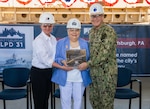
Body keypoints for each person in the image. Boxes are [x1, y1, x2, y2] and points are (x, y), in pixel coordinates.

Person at [78, 3, 118, 109]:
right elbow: (91, 52)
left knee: (106, 105)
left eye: (98, 15)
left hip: (106, 76)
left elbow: (103, 55)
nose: (95, 18)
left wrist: (87, 64)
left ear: (103, 16)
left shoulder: (108, 31)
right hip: (94, 75)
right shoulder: (91, 32)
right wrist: (76, 59)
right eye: (93, 16)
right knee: (95, 103)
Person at [30, 12, 72, 109]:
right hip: (38, 73)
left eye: (50, 25)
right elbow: (46, 60)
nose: (47, 28)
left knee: (46, 99)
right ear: (41, 26)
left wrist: (62, 61)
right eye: (45, 26)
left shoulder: (53, 39)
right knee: (39, 101)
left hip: (48, 72)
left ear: (52, 26)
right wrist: (62, 67)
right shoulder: (38, 40)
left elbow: (56, 55)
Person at [51, 18, 92, 109]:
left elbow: (89, 59)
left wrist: (86, 64)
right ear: (67, 30)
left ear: (80, 31)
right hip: (65, 77)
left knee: (78, 101)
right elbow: (56, 58)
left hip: (79, 77)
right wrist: (62, 61)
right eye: (71, 30)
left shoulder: (85, 44)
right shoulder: (60, 43)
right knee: (65, 102)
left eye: (77, 30)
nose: (74, 32)